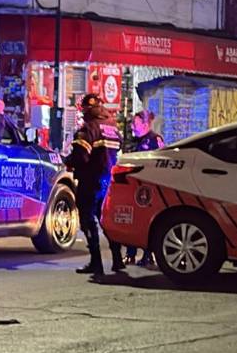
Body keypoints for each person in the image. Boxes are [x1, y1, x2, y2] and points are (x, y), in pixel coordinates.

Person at [65, 93, 124, 275]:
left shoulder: (88, 128)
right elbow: (120, 146)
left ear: (86, 110)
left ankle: (96, 262)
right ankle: (117, 259)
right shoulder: (112, 126)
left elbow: (81, 157)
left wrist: (67, 160)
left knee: (87, 220)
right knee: (106, 220)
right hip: (109, 181)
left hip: (90, 181)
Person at [122, 110, 164, 267]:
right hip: (132, 186)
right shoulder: (133, 141)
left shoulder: (155, 140)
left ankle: (148, 255)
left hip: (147, 189)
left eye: (135, 123)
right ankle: (130, 254)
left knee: (146, 221)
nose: (132, 126)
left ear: (146, 124)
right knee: (130, 221)